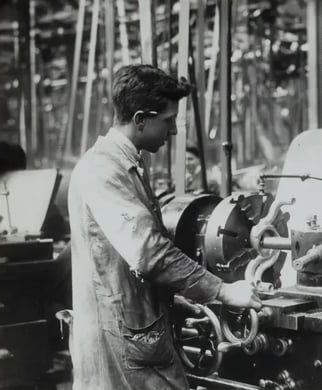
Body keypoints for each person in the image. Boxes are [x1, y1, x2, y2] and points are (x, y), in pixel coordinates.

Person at [68, 64, 261, 389]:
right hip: (122, 343)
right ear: (141, 119)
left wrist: (168, 298)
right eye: (168, 121)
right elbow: (149, 252)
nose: (173, 131)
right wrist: (223, 291)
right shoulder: (102, 170)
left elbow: (124, 263)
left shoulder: (123, 165)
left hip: (133, 328)